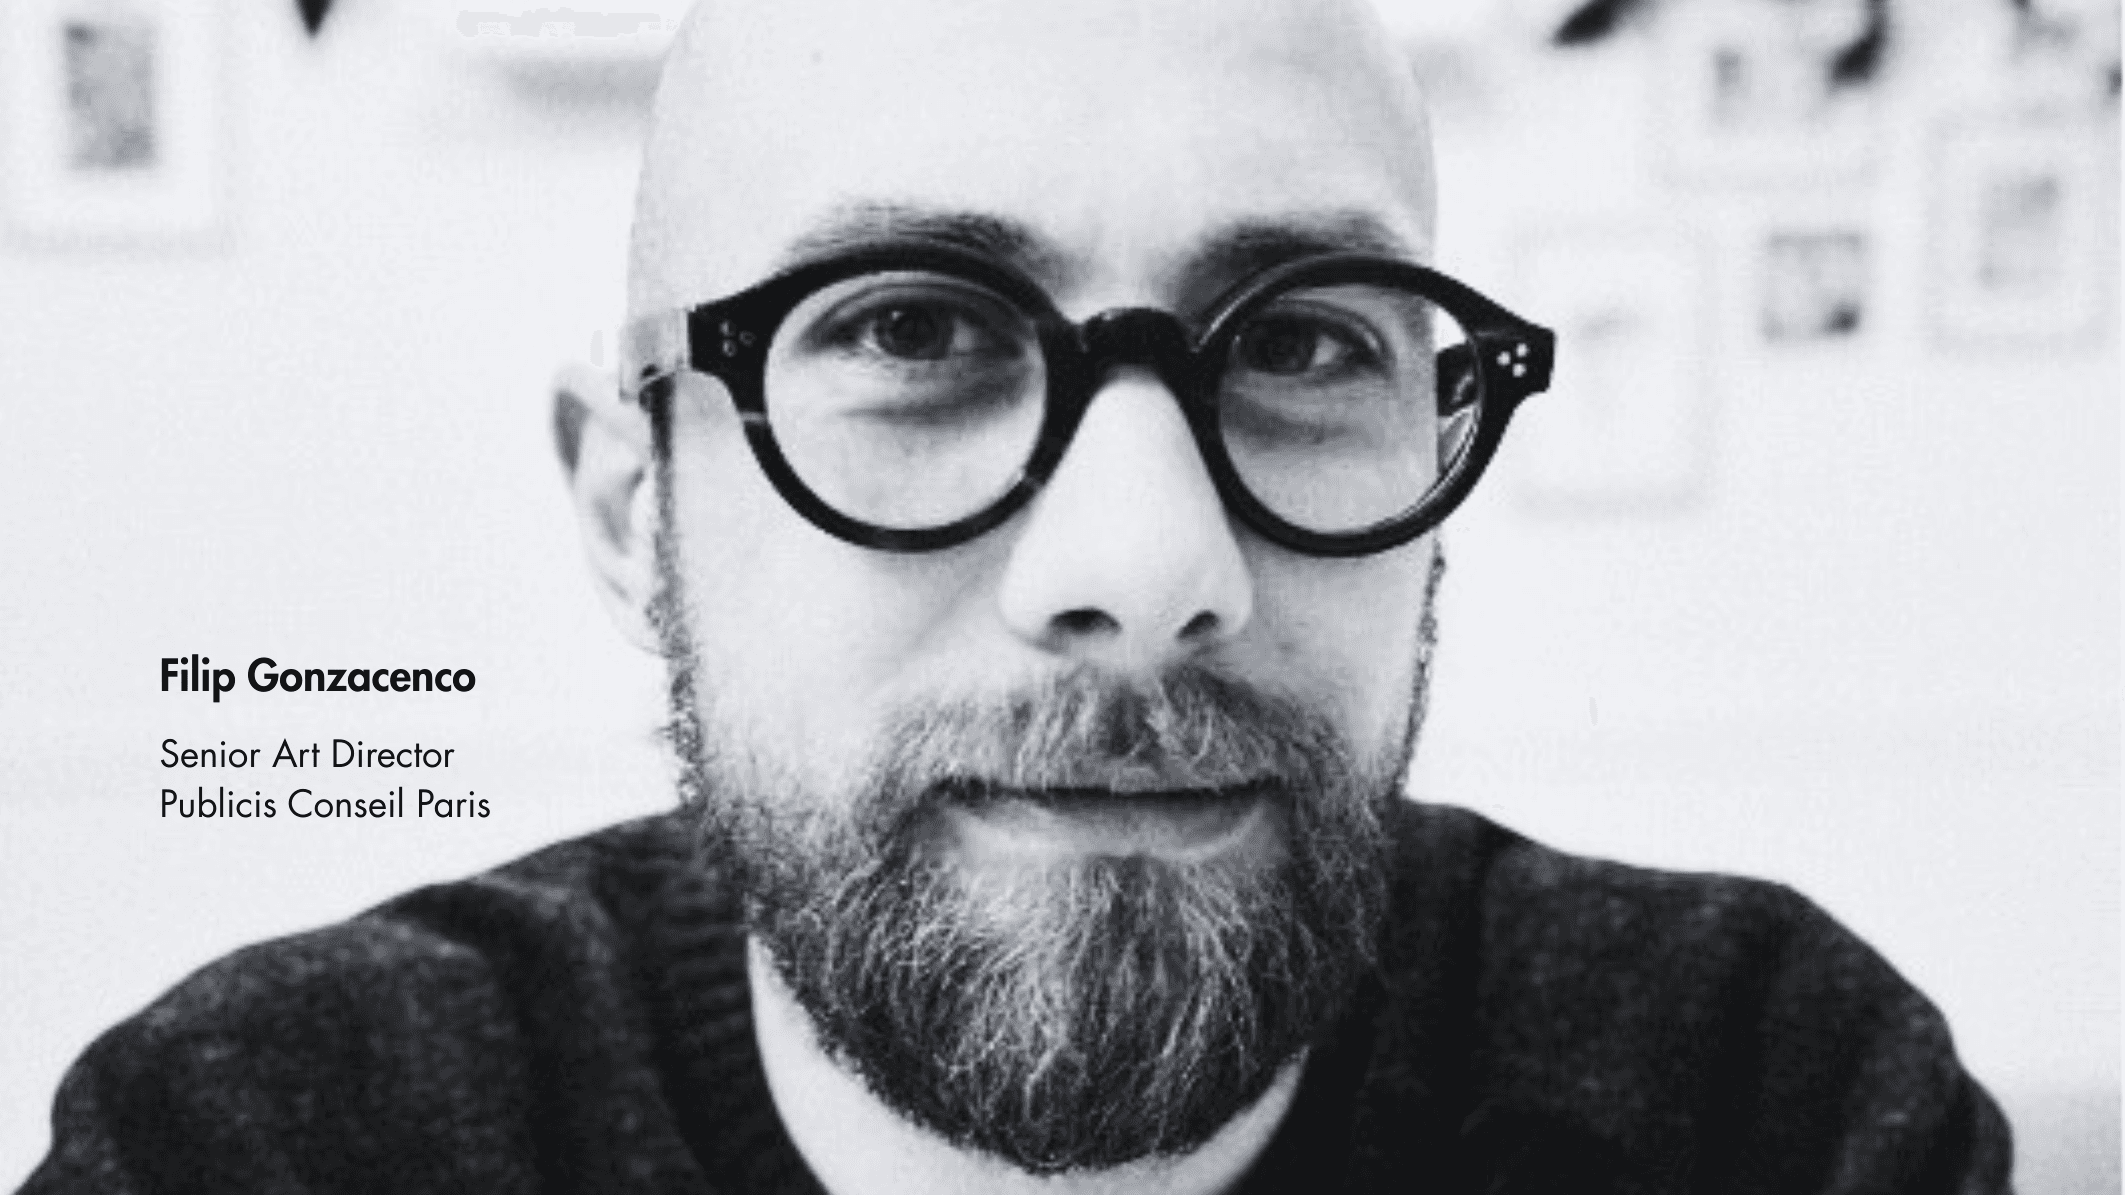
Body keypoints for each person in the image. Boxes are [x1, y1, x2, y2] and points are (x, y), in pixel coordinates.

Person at [22, 1, 2010, 1192]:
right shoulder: (272, 1141)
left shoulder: (1769, 1104)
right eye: (911, 328)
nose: (1145, 572)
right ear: (635, 502)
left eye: (1304, 343)